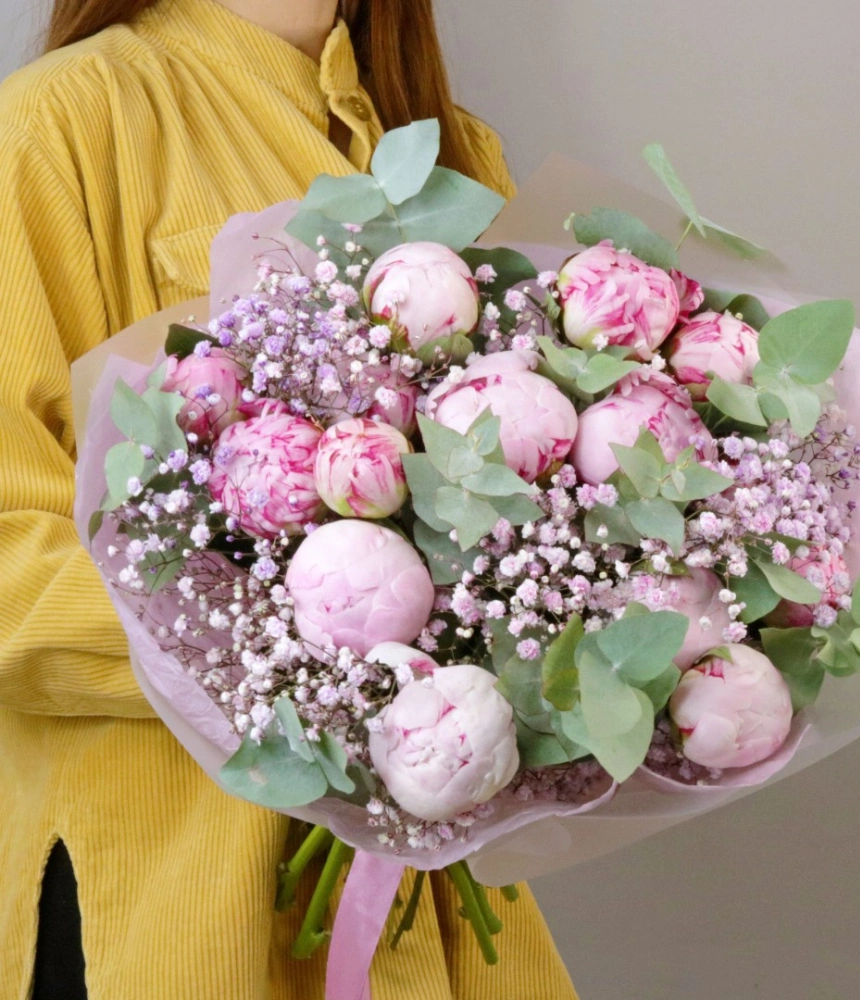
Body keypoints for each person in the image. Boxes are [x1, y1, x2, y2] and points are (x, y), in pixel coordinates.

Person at [0, 1, 580, 997]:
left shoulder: (452, 149)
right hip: (173, 901)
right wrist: (297, 663)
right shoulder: (62, 122)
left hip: (432, 917)